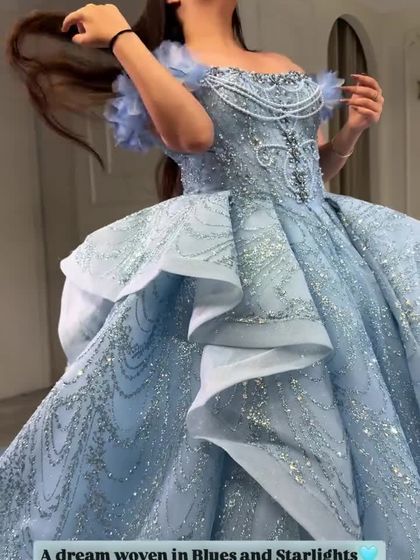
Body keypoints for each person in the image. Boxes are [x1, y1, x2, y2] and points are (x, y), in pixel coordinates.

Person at [0, 1, 419, 559]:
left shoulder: (281, 62)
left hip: (324, 251)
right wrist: (122, 37)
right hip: (233, 263)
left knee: (353, 401)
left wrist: (350, 134)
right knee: (249, 403)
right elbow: (194, 136)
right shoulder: (159, 63)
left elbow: (307, 172)